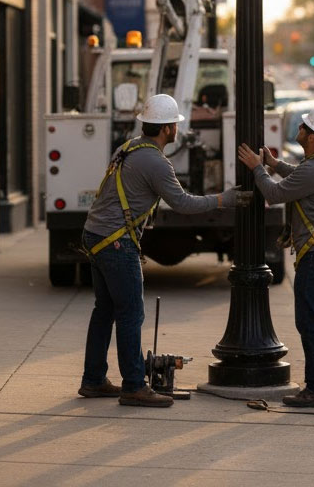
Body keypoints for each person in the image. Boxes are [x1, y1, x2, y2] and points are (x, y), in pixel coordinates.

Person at [80, 93, 252, 407]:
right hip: (116, 242)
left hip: (96, 235)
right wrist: (223, 199)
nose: (176, 130)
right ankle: (133, 385)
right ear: (167, 129)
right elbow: (183, 203)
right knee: (131, 314)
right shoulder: (156, 162)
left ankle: (93, 380)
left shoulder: (127, 148)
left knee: (104, 311)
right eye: (174, 125)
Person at [238, 105, 314, 408]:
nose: (300, 129)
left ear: (313, 137)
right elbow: (298, 177)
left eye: (304, 127)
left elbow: (276, 195)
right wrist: (275, 164)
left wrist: (257, 168)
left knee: (311, 323)